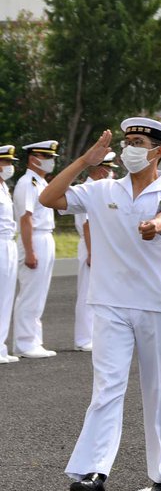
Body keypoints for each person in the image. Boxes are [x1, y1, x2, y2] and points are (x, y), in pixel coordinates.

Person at [41, 118, 161, 491]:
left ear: (157, 151)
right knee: (107, 387)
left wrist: (156, 226)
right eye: (127, 141)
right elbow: (50, 199)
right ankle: (93, 471)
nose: (130, 148)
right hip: (109, 303)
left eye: (138, 141)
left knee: (160, 388)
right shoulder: (101, 188)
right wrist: (83, 161)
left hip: (156, 304)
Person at [12, 139, 60, 358]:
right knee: (31, 292)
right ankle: (24, 342)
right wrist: (30, 251)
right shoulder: (27, 183)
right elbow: (26, 219)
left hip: (45, 236)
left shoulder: (40, 182)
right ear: (34, 159)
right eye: (47, 157)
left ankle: (33, 340)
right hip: (35, 239)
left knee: (39, 293)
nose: (51, 162)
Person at [67, 151, 118, 352]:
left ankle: (93, 335)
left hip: (99, 245)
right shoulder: (88, 188)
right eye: (109, 169)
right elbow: (87, 225)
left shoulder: (100, 189)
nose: (110, 173)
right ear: (101, 168)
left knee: (99, 293)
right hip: (92, 245)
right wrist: (91, 252)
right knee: (87, 293)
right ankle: (83, 338)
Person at [0, 144, 21, 364]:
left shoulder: (4, 187)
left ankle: (1, 345)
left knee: (6, 296)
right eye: (5, 162)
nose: (8, 167)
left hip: (8, 243)